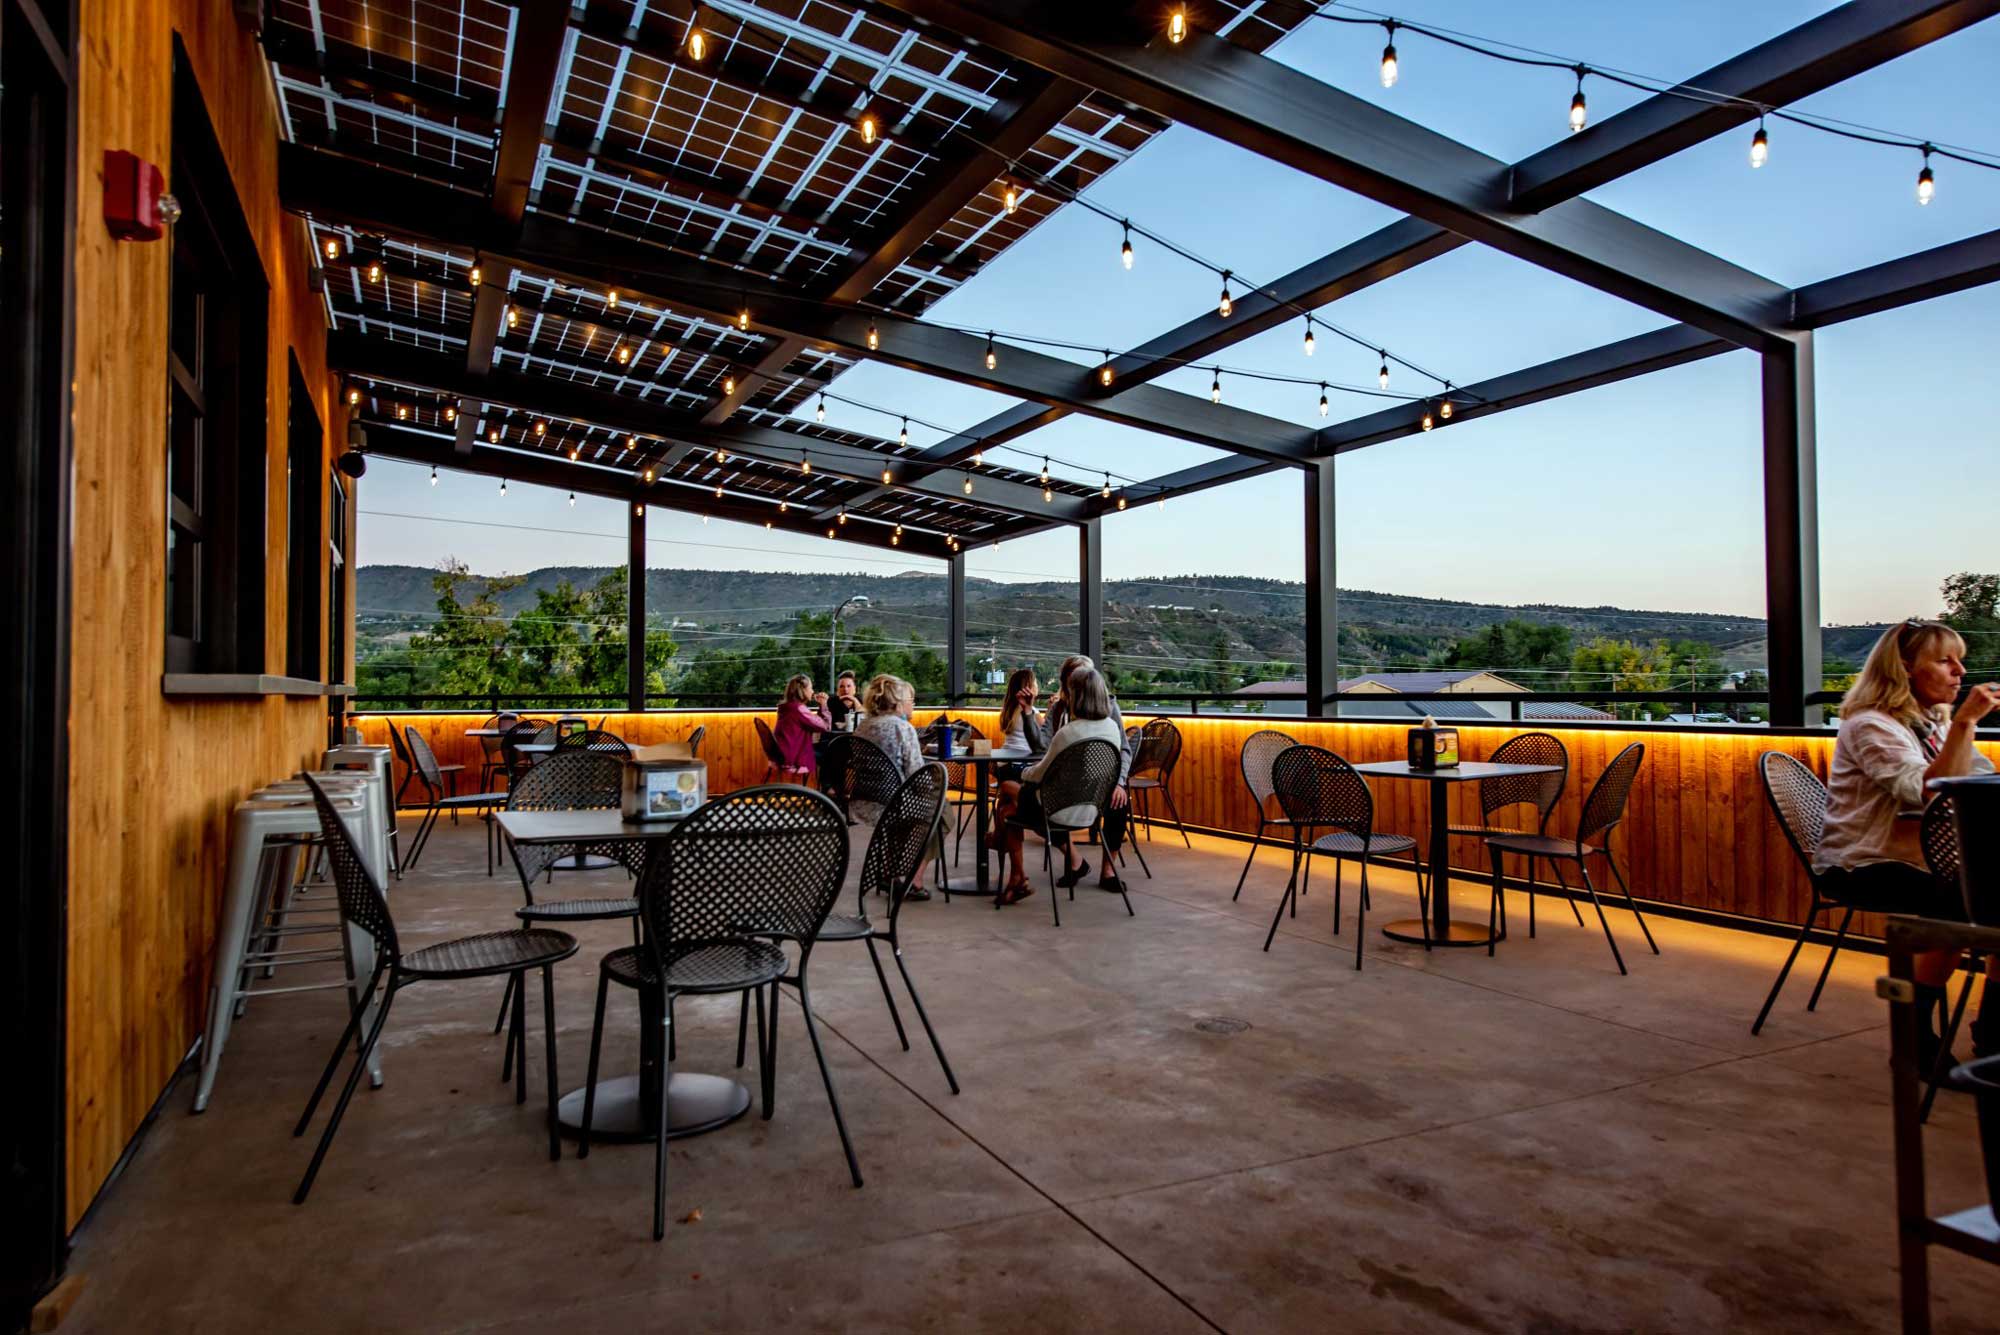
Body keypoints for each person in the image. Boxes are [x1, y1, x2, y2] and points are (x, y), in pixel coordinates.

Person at [1820, 619, 1998, 1066]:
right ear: (1903, 668)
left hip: (1920, 858)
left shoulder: (1930, 723)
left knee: (1991, 898)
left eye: (1960, 660)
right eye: (1944, 660)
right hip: (1862, 863)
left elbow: (1975, 779)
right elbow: (1931, 790)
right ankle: (1915, 1037)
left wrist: (1956, 728)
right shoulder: (1870, 726)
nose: (1960, 671)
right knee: (1967, 900)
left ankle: (1994, 1032)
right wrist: (1965, 722)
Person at [992, 665, 1123, 906]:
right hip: (1092, 808)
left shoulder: (1068, 733)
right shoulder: (1112, 728)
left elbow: (1039, 773)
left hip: (1056, 810)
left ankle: (1017, 875)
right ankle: (1017, 878)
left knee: (1008, 799)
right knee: (1008, 809)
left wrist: (1027, 773)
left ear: (1077, 696)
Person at [1039, 654, 1138, 894]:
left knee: (1118, 802)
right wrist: (1028, 714)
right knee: (1039, 806)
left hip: (1102, 782)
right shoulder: (1059, 708)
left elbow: (1124, 748)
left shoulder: (1109, 707)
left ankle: (1109, 870)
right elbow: (1042, 744)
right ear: (1067, 683)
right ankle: (1075, 862)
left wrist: (1120, 782)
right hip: (1066, 782)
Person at [852, 674, 944, 899]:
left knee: (922, 807)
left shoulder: (862, 726)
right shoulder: (902, 729)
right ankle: (913, 880)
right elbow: (917, 778)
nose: (912, 704)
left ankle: (890, 874)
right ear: (898, 703)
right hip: (894, 806)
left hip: (864, 803)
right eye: (910, 699)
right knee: (943, 811)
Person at [772, 674, 832, 781]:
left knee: (825, 747)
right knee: (831, 754)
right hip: (793, 756)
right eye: (811, 688)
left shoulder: (787, 707)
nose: (812, 691)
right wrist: (824, 704)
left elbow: (814, 723)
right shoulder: (798, 709)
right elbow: (825, 727)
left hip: (780, 752)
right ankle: (825, 792)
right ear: (803, 690)